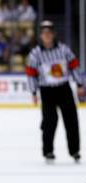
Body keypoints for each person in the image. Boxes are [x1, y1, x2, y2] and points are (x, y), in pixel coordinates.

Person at [26, 20, 84, 163]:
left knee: (71, 120)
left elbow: (74, 66)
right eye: (44, 33)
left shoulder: (64, 50)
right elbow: (31, 74)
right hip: (47, 91)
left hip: (64, 88)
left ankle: (75, 151)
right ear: (41, 35)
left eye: (49, 33)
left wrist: (79, 84)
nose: (47, 36)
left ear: (53, 34)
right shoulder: (35, 54)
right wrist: (33, 92)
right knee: (49, 121)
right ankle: (48, 151)